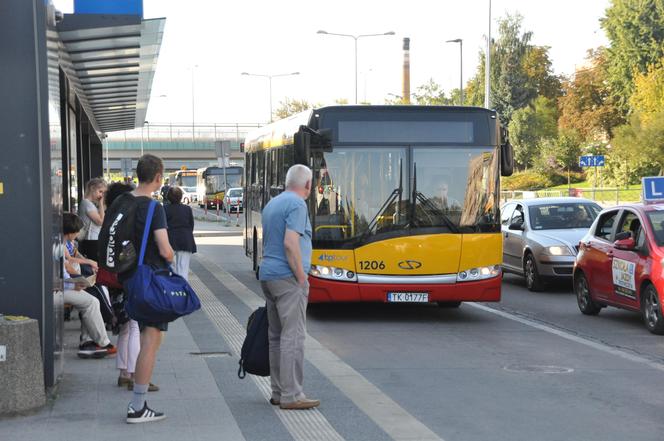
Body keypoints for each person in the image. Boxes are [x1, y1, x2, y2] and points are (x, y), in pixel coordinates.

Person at [259, 164, 319, 410]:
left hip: (268, 275)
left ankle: (278, 391)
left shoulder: (273, 204)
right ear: (307, 185)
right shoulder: (297, 205)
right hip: (288, 278)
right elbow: (290, 243)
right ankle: (292, 395)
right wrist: (301, 278)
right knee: (293, 336)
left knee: (276, 336)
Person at [120, 154, 174, 424]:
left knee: (143, 336)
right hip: (150, 279)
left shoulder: (122, 201)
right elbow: (164, 249)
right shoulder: (154, 208)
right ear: (157, 178)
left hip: (128, 278)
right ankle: (137, 407)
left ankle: (138, 403)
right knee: (150, 341)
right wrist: (172, 256)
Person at [103, 182, 159, 393]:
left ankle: (124, 373)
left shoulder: (110, 217)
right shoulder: (126, 218)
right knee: (134, 326)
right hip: (127, 276)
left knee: (126, 328)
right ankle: (135, 374)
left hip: (113, 277)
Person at [62, 213, 115, 359]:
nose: (79, 233)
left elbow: (72, 259)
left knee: (91, 298)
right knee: (91, 301)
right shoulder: (61, 244)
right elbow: (67, 266)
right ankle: (102, 342)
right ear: (70, 231)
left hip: (65, 285)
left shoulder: (66, 242)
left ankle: (91, 339)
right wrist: (77, 283)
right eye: (77, 231)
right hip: (61, 288)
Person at [164, 186, 196, 281]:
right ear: (181, 197)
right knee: (183, 269)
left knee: (169, 268)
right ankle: (183, 290)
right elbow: (191, 225)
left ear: (168, 197)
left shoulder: (164, 209)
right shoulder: (187, 209)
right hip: (186, 240)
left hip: (169, 242)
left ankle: (172, 290)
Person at [78, 178, 107, 261]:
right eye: (100, 191)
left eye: (103, 193)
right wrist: (101, 204)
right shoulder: (87, 203)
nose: (101, 195)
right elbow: (101, 222)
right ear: (92, 188)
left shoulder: (90, 204)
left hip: (92, 239)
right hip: (91, 240)